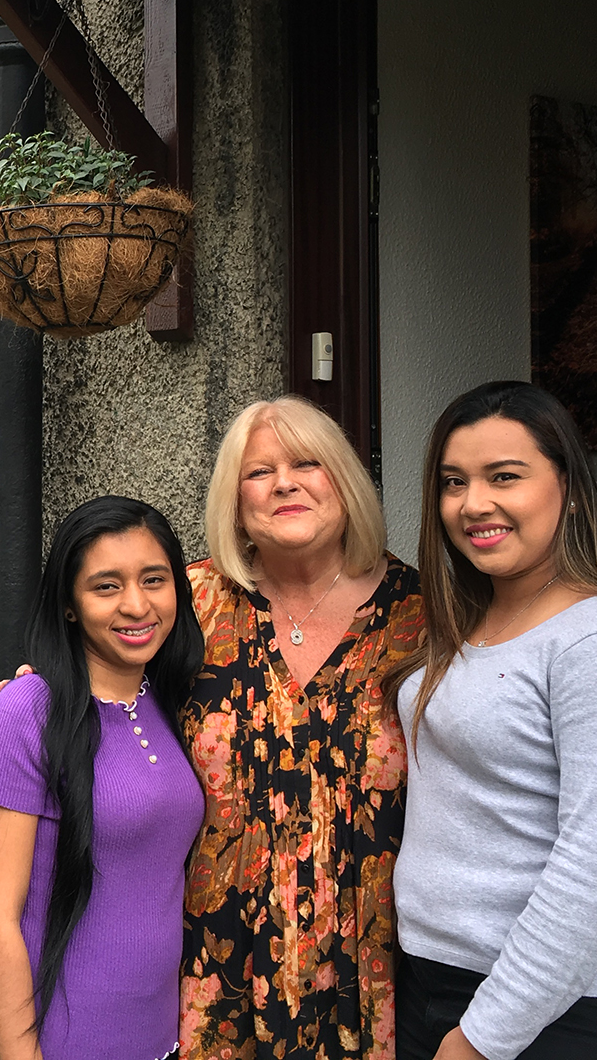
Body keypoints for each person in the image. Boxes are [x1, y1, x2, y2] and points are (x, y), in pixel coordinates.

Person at [392, 381, 597, 1060]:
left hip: (565, 1016)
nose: (474, 504)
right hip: (440, 992)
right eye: (453, 481)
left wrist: (481, 1038)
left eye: (505, 477)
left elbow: (596, 879)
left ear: (570, 489)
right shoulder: (467, 624)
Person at [180, 396, 425, 1060]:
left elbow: (496, 722)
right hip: (217, 964)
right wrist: (31, 699)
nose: (284, 482)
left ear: (344, 482)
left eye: (307, 463)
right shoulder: (185, 605)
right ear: (235, 500)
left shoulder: (421, 617)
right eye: (260, 472)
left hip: (373, 966)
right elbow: (103, 701)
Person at [0, 496, 206, 1060]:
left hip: (158, 1043)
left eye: (154, 579)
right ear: (69, 604)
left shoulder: (171, 701)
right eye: (106, 586)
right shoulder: (25, 712)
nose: (136, 604)